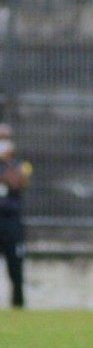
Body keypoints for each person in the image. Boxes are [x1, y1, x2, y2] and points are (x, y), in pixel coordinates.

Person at [0, 124, 31, 309]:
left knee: (15, 266)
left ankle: (18, 304)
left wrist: (7, 163)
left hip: (11, 221)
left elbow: (17, 182)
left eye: (5, 138)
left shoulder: (20, 165)